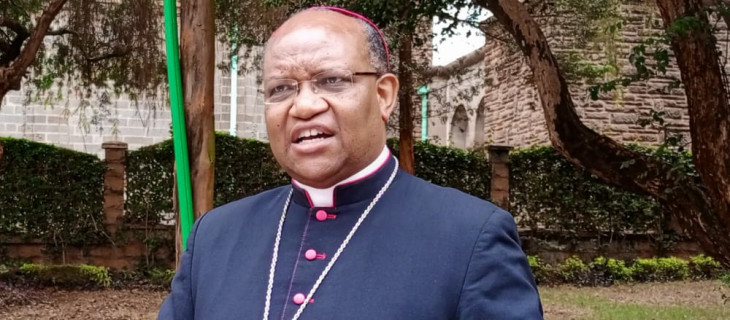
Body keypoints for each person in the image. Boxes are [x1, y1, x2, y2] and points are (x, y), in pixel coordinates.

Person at [159, 6, 542, 320]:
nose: (304, 106)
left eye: (331, 81)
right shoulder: (214, 236)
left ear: (384, 95)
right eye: (281, 89)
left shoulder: (471, 237)